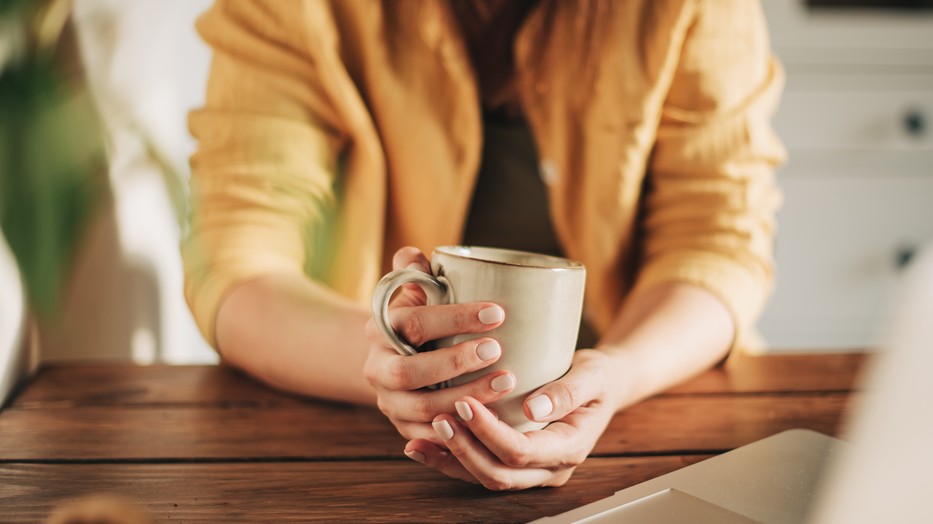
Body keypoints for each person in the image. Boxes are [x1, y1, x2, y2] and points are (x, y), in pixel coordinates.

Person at [183, 0, 785, 490]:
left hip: (652, 400)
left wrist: (619, 373)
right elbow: (236, 262)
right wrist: (392, 365)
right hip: (361, 434)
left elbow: (715, 242)